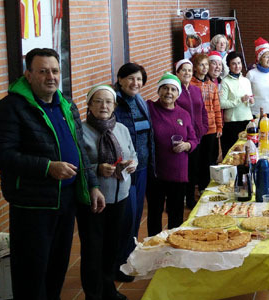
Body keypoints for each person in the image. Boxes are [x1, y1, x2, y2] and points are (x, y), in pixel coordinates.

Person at [0, 48, 105, 300]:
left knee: (56, 269)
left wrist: (92, 185)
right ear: (28, 75)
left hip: (66, 200)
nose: (50, 76)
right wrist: (47, 167)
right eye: (43, 71)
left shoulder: (66, 104)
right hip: (33, 205)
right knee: (31, 274)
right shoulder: (10, 108)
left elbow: (81, 149)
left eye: (54, 71)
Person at [78, 85, 138, 300]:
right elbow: (77, 165)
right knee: (93, 249)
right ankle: (93, 295)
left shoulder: (121, 128)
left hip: (120, 196)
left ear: (114, 105)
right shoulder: (81, 131)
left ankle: (108, 290)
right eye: (98, 101)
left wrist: (133, 164)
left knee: (112, 247)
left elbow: (133, 153)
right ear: (89, 105)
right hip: (94, 199)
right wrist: (97, 169)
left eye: (108, 102)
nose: (104, 106)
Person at [112, 62, 153, 282]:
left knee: (136, 217)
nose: (135, 83)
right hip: (124, 169)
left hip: (142, 167)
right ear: (120, 79)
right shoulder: (114, 103)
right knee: (125, 218)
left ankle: (129, 258)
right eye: (130, 78)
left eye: (139, 79)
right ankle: (118, 263)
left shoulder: (139, 100)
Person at [147, 73, 198, 234]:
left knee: (176, 213)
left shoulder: (183, 114)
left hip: (178, 172)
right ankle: (153, 246)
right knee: (155, 213)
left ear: (178, 94)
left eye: (173, 89)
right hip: (157, 173)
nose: (169, 92)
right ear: (158, 91)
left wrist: (187, 145)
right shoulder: (150, 109)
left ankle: (174, 245)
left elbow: (194, 139)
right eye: (165, 88)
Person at [175, 59, 209, 209]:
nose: (187, 73)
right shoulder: (175, 91)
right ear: (177, 73)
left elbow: (202, 109)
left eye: (189, 70)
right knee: (184, 170)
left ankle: (190, 199)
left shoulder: (196, 90)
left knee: (194, 168)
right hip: (183, 138)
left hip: (197, 137)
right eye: (184, 70)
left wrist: (204, 126)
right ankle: (180, 199)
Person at [190, 54, 223, 192]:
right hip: (196, 130)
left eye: (206, 65)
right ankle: (193, 189)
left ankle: (204, 187)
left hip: (211, 128)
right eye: (201, 65)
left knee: (208, 159)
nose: (204, 68)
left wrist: (219, 126)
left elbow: (217, 107)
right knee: (195, 161)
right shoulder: (190, 85)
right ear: (195, 68)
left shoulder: (212, 85)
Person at [219, 51, 254, 155]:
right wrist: (239, 100)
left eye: (239, 63)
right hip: (232, 123)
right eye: (233, 63)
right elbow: (222, 104)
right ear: (229, 65)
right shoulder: (225, 82)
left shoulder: (246, 81)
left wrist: (251, 101)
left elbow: (249, 102)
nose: (237, 66)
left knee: (248, 153)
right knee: (232, 154)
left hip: (247, 121)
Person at [247, 37, 269, 116]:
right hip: (256, 113)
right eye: (266, 56)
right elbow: (248, 94)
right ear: (259, 59)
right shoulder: (251, 74)